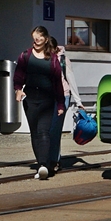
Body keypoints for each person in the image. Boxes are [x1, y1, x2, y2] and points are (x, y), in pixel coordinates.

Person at [14, 26, 69, 180]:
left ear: (45, 39)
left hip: (47, 98)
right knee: (35, 133)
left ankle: (43, 165)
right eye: (34, 38)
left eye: (39, 38)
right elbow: (18, 75)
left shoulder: (52, 59)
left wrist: (60, 104)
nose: (36, 41)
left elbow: (58, 82)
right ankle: (41, 163)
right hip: (30, 98)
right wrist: (18, 89)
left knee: (43, 131)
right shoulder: (25, 56)